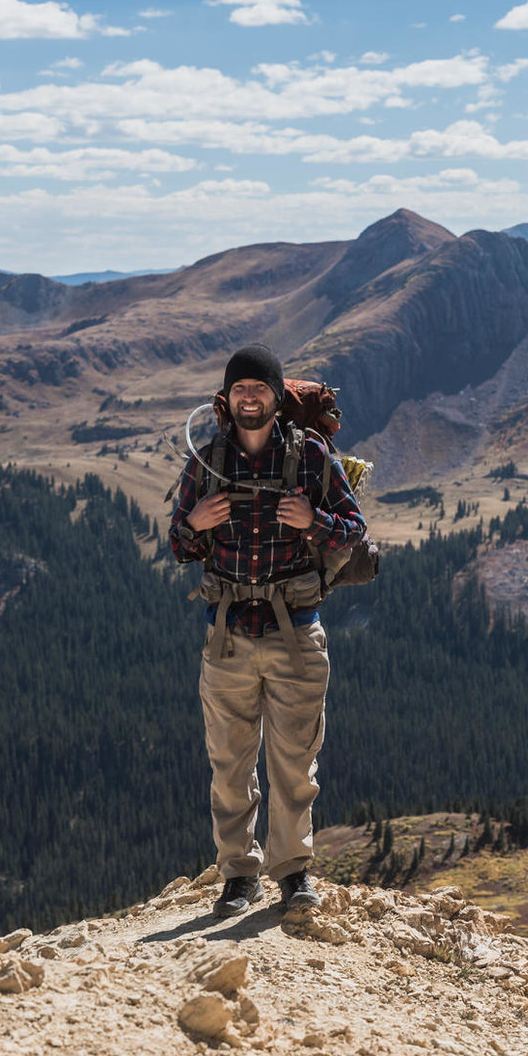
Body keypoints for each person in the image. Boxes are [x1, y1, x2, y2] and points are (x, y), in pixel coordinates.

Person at [168, 344, 368, 918]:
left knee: (294, 762)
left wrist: (317, 520)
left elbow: (353, 532)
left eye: (259, 389)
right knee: (230, 763)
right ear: (226, 401)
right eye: (239, 390)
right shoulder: (206, 462)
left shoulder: (312, 461)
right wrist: (193, 524)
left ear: (277, 398)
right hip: (227, 634)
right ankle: (238, 877)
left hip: (296, 633)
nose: (249, 397)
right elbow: (180, 545)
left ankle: (293, 873)